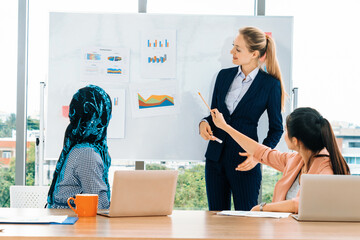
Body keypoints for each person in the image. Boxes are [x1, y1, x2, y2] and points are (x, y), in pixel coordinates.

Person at [199, 26, 285, 211]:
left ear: (254, 53)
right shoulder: (223, 76)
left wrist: (259, 157)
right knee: (215, 220)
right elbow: (214, 113)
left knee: (247, 222)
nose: (232, 52)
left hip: (245, 161)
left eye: (238, 49)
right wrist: (204, 123)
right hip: (215, 159)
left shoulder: (270, 85)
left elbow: (277, 129)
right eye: (233, 46)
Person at [210, 107, 350, 213]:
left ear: (295, 141)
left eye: (286, 131)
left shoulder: (326, 170)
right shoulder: (296, 160)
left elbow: (301, 204)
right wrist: (225, 127)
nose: (284, 134)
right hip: (283, 232)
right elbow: (260, 151)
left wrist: (262, 208)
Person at [47, 85, 112, 209]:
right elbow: (100, 205)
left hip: (71, 219)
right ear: (101, 118)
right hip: (75, 222)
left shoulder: (79, 147)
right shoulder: (87, 153)